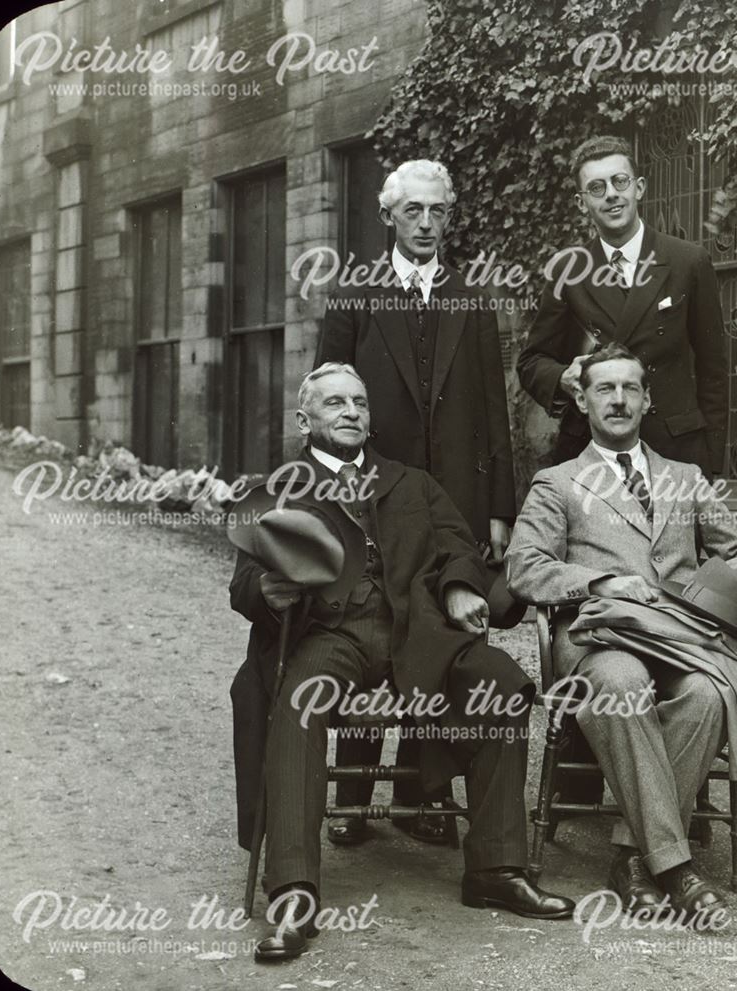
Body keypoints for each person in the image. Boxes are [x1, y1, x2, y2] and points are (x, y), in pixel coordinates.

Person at [229, 363, 573, 962]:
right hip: (328, 632)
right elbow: (245, 583)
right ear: (304, 419)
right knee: (298, 703)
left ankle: (495, 866)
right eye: (334, 403)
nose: (351, 412)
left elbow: (459, 546)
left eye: (359, 402)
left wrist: (463, 585)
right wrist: (269, 591)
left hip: (417, 629)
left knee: (502, 685)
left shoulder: (410, 481)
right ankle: (293, 894)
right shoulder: (279, 488)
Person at [506, 343, 737, 921]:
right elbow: (524, 567)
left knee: (708, 693)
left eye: (630, 388)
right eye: (604, 388)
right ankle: (677, 871)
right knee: (623, 682)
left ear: (647, 399)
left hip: (679, 636)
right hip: (599, 638)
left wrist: (703, 595)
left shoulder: (686, 478)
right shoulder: (558, 482)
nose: (618, 399)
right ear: (581, 400)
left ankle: (635, 860)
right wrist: (599, 582)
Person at [317, 160, 518, 840]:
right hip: (374, 495)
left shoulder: (471, 297)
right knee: (373, 619)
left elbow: (495, 410)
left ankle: (422, 796)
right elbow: (328, 393)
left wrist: (498, 509)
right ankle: (352, 794)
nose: (428, 224)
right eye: (415, 213)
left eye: (438, 212)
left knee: (438, 630)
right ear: (390, 217)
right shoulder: (355, 293)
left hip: (456, 498)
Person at [517, 135, 729, 477]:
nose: (612, 194)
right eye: (597, 188)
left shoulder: (688, 261)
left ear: (639, 187)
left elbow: (714, 372)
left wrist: (712, 466)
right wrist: (564, 378)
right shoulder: (568, 270)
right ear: (581, 202)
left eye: (620, 181)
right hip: (592, 451)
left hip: (673, 449)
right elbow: (531, 362)